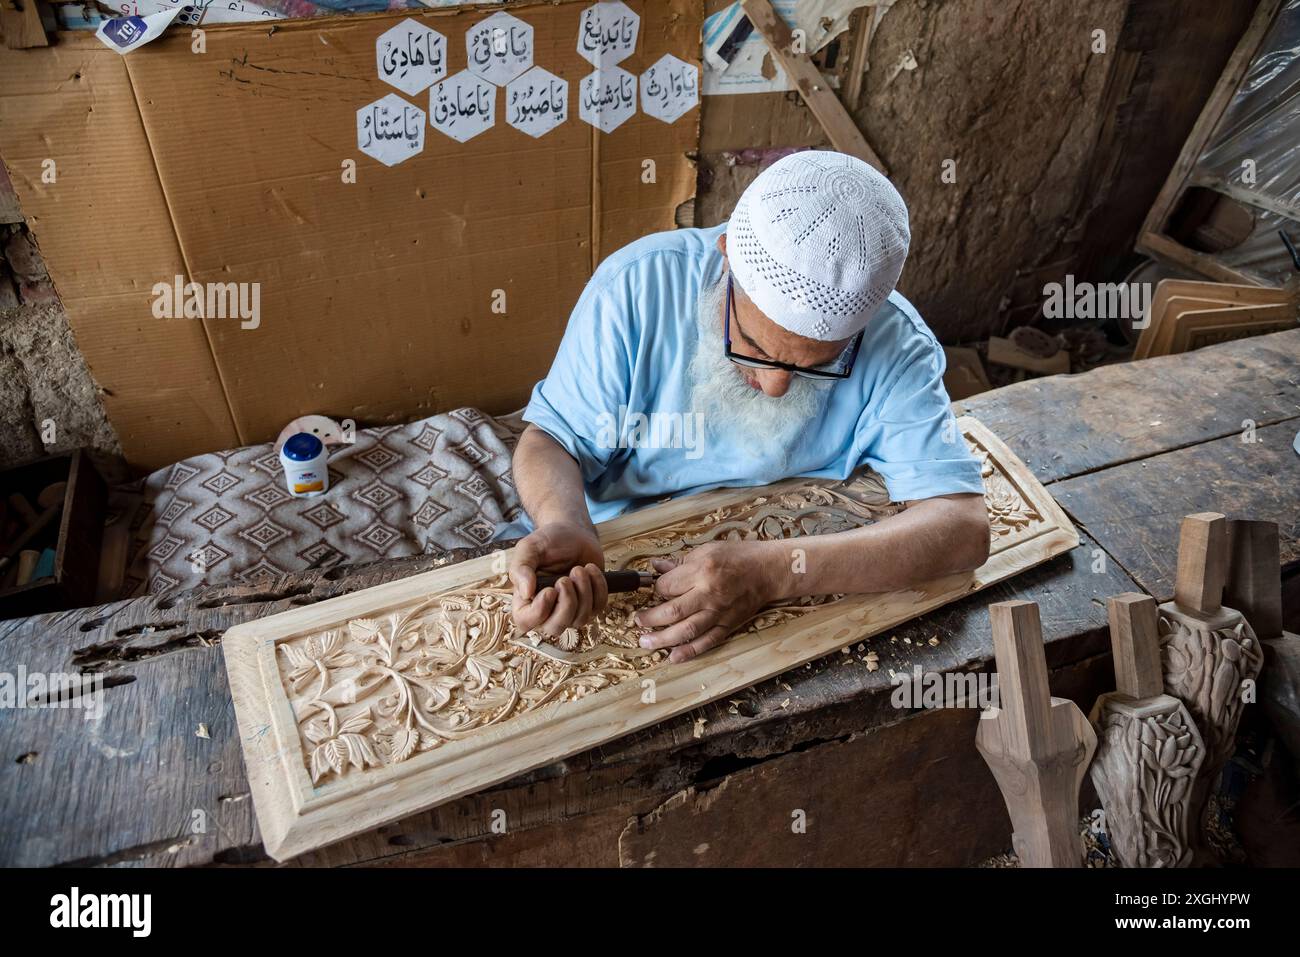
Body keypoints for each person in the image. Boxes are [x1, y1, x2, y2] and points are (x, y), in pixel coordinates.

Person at [501, 150, 990, 663]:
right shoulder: (637, 289)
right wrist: (565, 521)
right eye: (754, 349)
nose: (776, 386)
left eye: (814, 364)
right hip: (625, 556)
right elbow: (551, 439)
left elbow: (961, 525)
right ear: (727, 255)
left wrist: (776, 571)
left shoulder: (897, 344)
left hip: (787, 571)